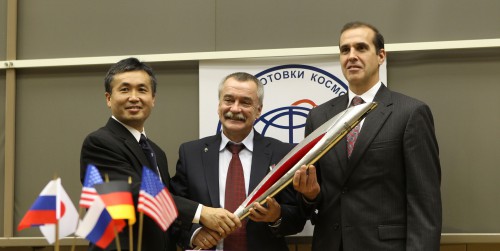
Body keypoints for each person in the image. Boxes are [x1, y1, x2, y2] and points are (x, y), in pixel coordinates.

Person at [292, 21, 442, 251]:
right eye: (345, 50)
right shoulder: (318, 117)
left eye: (361, 48)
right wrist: (310, 196)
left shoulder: (410, 113)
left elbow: (425, 202)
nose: (351, 56)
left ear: (381, 56)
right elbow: (317, 195)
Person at [80, 57, 241, 251]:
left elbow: (163, 210)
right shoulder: (99, 142)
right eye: (124, 89)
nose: (134, 97)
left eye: (142, 89)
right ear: (108, 98)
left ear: (153, 99)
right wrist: (201, 212)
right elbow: (132, 192)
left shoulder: (156, 152)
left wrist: (195, 235)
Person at [170, 72, 306, 250]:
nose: (235, 109)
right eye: (228, 100)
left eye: (245, 102)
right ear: (219, 106)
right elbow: (174, 210)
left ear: (258, 110)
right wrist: (194, 234)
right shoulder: (191, 153)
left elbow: (298, 217)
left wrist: (277, 215)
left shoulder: (282, 153)